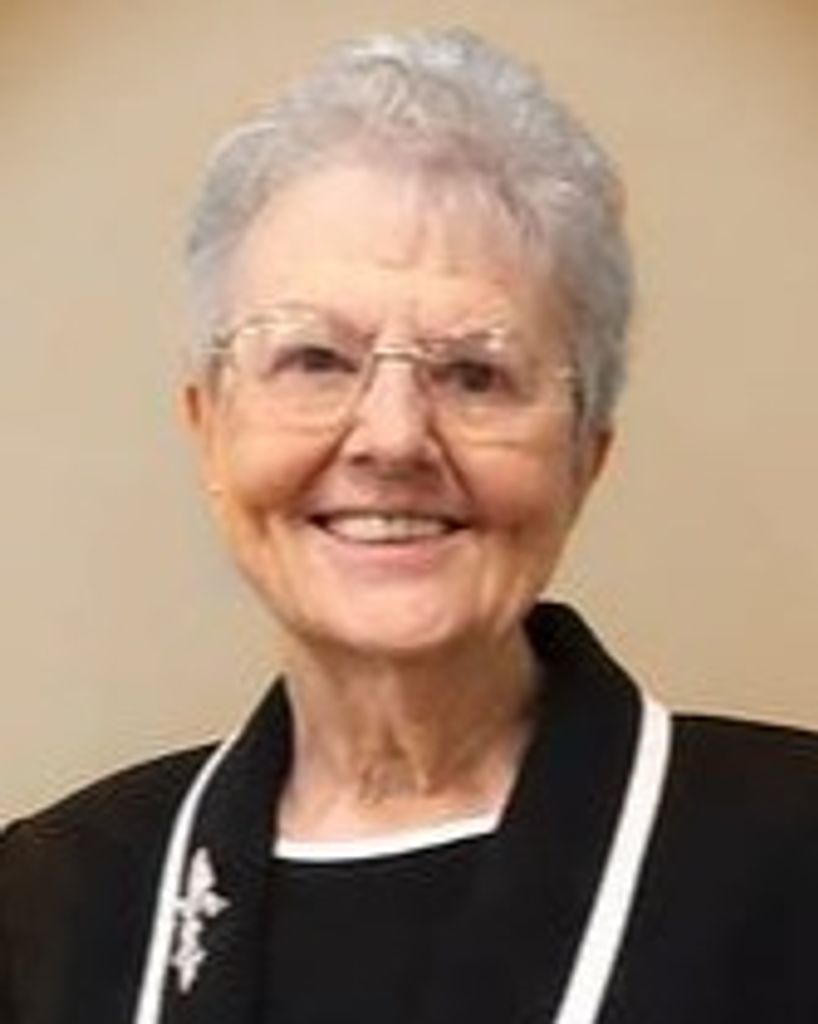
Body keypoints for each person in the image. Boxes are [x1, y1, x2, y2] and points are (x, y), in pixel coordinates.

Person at [2, 27, 817, 1024]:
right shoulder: (49, 906)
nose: (392, 438)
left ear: (585, 455)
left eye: (475, 373)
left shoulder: (791, 856)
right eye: (314, 359)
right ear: (208, 426)